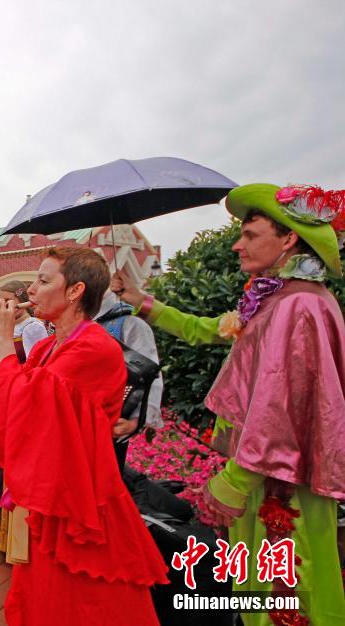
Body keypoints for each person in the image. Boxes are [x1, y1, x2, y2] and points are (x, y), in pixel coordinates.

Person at [114, 183, 345, 626]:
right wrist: (142, 302)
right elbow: (207, 330)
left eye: (251, 233)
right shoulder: (275, 297)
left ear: (289, 239)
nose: (238, 244)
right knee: (257, 590)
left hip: (281, 484)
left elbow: (281, 411)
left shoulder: (300, 306)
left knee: (290, 594)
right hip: (263, 473)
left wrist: (234, 482)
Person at [0, 247, 167, 624]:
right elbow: (4, 403)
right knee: (43, 600)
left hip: (80, 497)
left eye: (43, 280)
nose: (31, 290)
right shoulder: (45, 348)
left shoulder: (95, 347)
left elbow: (27, 405)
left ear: (75, 291)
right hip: (50, 493)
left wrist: (4, 340)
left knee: (80, 604)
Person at [0, 282, 50, 551]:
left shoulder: (33, 327)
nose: (4, 306)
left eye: (9, 300)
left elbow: (36, 364)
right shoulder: (4, 325)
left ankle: (17, 538)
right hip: (6, 387)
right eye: (0, 301)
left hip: (20, 393)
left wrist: (6, 359)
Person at [94, 290, 164, 471]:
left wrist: (136, 420)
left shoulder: (128, 323)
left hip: (108, 431)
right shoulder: (63, 323)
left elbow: (149, 375)